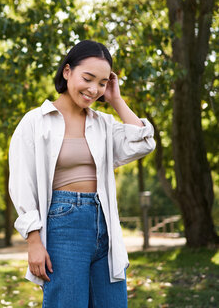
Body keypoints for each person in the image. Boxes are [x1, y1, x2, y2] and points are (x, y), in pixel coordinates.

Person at [8, 40, 155, 307]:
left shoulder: (104, 124)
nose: (93, 89)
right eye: (87, 78)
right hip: (63, 225)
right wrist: (34, 241)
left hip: (106, 224)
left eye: (101, 83)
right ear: (67, 72)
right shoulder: (35, 122)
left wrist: (117, 100)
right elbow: (21, 183)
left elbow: (143, 142)